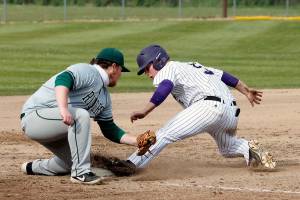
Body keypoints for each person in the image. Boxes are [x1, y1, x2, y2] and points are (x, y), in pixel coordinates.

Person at [126, 44, 276, 170]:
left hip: (208, 108)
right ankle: (249, 148)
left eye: (147, 68)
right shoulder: (192, 66)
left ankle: (130, 165)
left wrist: (145, 111)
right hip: (231, 112)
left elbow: (165, 86)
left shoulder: (168, 69)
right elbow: (224, 76)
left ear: (158, 61)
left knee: (164, 134)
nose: (147, 73)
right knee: (228, 149)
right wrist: (246, 91)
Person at [20, 48, 139, 184]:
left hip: (59, 126)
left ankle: (32, 167)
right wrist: (63, 109)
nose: (120, 75)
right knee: (81, 115)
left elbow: (109, 128)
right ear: (114, 67)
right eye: (121, 71)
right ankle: (80, 174)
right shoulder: (88, 71)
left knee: (75, 160)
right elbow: (63, 79)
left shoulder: (104, 97)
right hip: (35, 116)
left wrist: (136, 141)